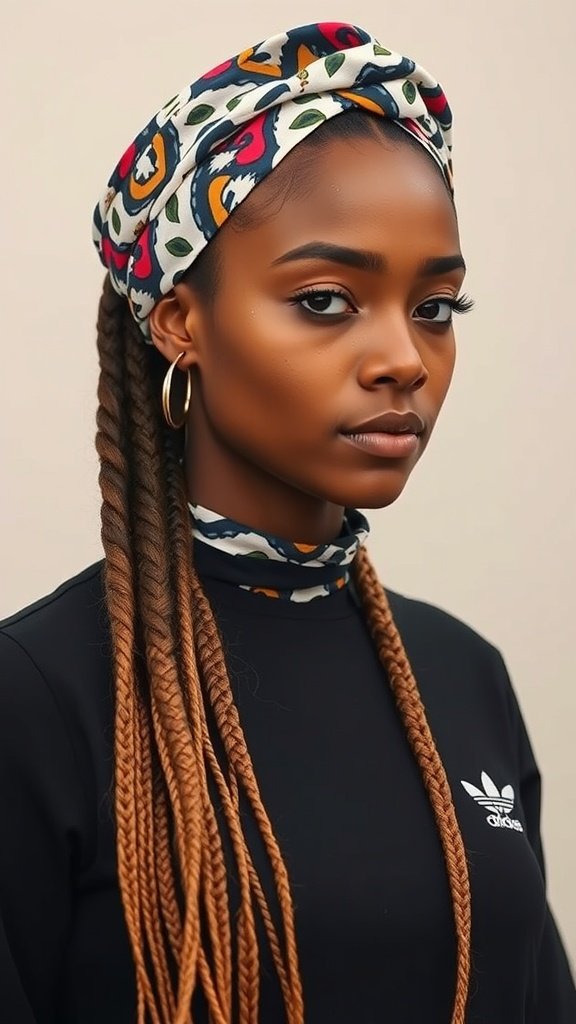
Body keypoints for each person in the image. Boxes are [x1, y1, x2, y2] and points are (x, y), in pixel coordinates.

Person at [0, 19, 574, 1024]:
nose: (403, 357)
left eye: (437, 306)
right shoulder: (40, 695)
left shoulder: (463, 672)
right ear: (182, 321)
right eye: (324, 298)